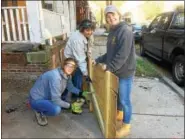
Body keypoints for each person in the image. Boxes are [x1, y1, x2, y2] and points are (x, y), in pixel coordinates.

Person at [93, 5, 136, 138]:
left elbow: (122, 55)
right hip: (116, 71)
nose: (111, 18)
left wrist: (109, 67)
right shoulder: (112, 31)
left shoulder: (125, 31)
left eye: (113, 15)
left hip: (125, 71)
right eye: (108, 16)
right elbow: (111, 53)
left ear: (119, 14)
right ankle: (120, 113)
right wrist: (99, 59)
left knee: (124, 99)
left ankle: (126, 126)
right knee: (117, 96)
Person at [29, 58, 87, 126]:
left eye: (73, 67)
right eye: (68, 65)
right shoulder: (55, 77)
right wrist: (71, 106)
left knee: (59, 103)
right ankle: (38, 111)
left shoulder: (67, 75)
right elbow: (56, 100)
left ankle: (44, 105)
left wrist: (81, 93)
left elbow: (70, 87)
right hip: (37, 99)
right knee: (56, 109)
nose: (70, 68)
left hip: (47, 97)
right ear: (63, 65)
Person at [64, 19, 95, 94]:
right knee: (77, 80)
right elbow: (80, 59)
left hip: (77, 59)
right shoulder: (77, 40)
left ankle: (71, 97)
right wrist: (86, 74)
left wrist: (90, 58)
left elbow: (89, 48)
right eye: (87, 30)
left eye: (91, 30)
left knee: (72, 81)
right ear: (82, 29)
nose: (90, 32)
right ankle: (75, 100)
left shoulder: (88, 36)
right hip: (72, 61)